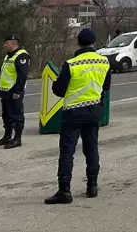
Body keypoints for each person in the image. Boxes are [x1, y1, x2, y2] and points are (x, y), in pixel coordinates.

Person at [45, 28, 112, 205]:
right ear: (94, 42)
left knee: (67, 152)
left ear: (78, 42)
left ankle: (64, 191)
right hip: (94, 111)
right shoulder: (104, 62)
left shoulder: (71, 64)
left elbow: (58, 90)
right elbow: (106, 86)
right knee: (91, 149)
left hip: (73, 113)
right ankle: (92, 186)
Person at [0, 35, 30, 149]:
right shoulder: (8, 56)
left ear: (14, 44)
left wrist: (18, 91)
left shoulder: (21, 55)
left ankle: (17, 138)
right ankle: (7, 136)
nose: (4, 45)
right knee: (6, 115)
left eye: (6, 43)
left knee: (16, 115)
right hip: (5, 91)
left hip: (14, 91)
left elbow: (22, 75)